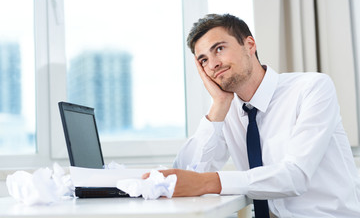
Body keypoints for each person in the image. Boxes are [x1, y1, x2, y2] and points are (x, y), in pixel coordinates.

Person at [143, 13, 360, 217]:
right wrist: (218, 105)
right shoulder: (227, 111)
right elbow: (185, 175)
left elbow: (295, 176)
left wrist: (208, 182)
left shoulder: (311, 88)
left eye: (218, 49)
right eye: (203, 60)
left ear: (249, 45)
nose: (213, 64)